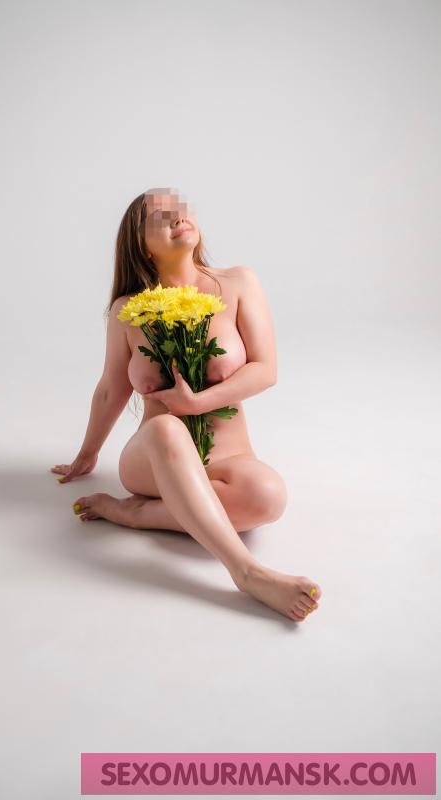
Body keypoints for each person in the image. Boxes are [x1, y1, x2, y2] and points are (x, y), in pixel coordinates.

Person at [51, 187, 322, 622]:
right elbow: (110, 389)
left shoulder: (238, 283)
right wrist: (87, 454)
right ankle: (247, 572)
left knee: (268, 498)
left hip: (228, 457)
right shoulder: (129, 310)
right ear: (140, 244)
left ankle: (135, 514)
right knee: (166, 427)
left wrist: (197, 403)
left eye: (179, 209)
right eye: (159, 216)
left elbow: (265, 369)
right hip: (153, 460)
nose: (177, 217)